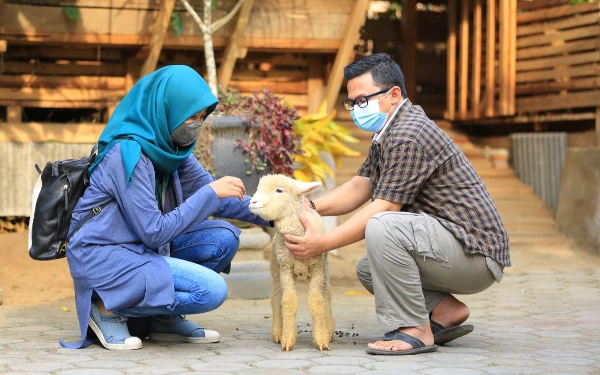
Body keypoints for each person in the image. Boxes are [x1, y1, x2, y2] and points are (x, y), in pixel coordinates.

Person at [284, 53, 509, 355]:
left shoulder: (408, 135)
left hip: (476, 255)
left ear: (393, 94)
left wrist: (320, 244)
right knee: (369, 268)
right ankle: (446, 312)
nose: (356, 110)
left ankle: (416, 329)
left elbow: (384, 208)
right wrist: (307, 207)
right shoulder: (388, 131)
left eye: (363, 100)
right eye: (352, 103)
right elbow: (359, 186)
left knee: (382, 226)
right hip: (455, 247)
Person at [60, 65, 271, 350]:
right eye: (190, 116)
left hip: (140, 250)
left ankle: (162, 319)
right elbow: (154, 232)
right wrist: (209, 193)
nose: (196, 124)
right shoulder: (126, 154)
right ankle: (105, 306)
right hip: (105, 255)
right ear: (165, 109)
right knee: (210, 291)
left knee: (223, 237)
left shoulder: (171, 151)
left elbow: (220, 199)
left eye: (200, 117)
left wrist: (279, 212)